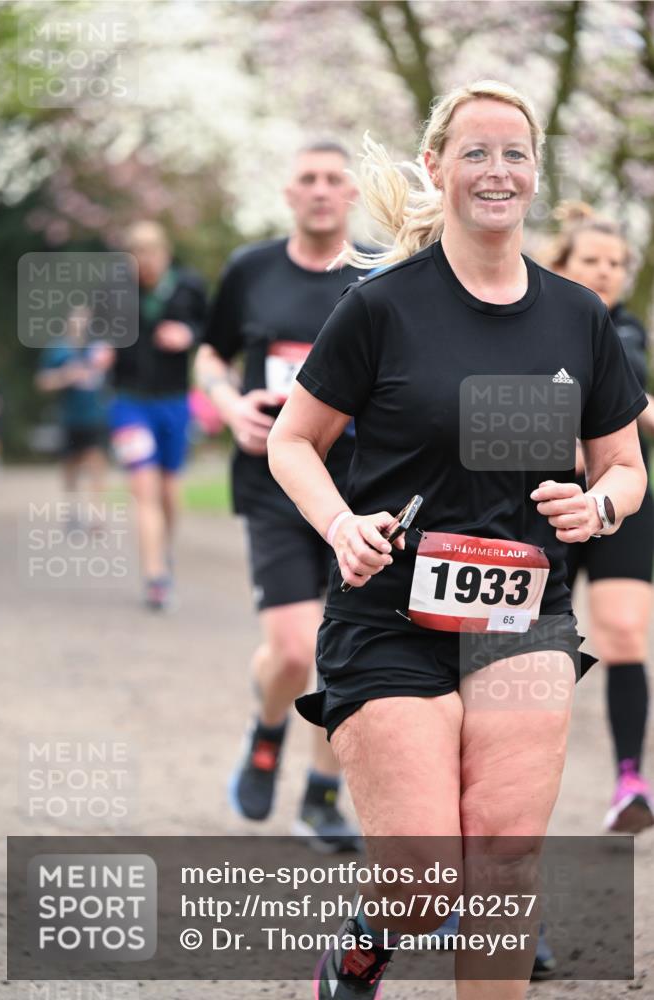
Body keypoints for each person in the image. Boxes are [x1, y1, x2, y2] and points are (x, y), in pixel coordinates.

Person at [267, 80, 647, 999]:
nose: (496, 170)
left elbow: (626, 467)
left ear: (534, 174)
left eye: (514, 153)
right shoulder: (382, 306)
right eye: (475, 151)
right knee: (427, 875)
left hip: (522, 612)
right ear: (436, 167)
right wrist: (339, 523)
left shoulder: (577, 317)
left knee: (506, 856)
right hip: (390, 617)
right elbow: (293, 441)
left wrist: (598, 507)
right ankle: (358, 952)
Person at [195, 142, 364, 850]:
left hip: (360, 491)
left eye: (334, 179)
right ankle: (267, 736)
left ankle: (322, 796)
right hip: (271, 483)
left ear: (353, 194)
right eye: (307, 179)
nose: (321, 190)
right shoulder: (250, 269)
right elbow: (208, 354)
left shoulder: (381, 274)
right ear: (287, 192)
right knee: (293, 652)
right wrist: (231, 406)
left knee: (349, 653)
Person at [544, 204, 654, 833]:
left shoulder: (628, 333)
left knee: (622, 632)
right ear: (560, 265)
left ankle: (631, 780)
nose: (606, 273)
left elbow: (630, 386)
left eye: (616, 264)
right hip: (543, 504)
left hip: (619, 502)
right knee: (522, 646)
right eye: (591, 261)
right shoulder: (528, 325)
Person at [109, 221, 209, 610]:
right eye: (137, 258)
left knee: (169, 489)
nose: (145, 265)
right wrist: (101, 349)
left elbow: (214, 331)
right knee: (143, 487)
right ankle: (155, 576)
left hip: (174, 401)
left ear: (164, 253)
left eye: (151, 255)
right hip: (128, 402)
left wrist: (189, 336)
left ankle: (162, 551)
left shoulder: (189, 286)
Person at [35, 305, 111, 497]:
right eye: (78, 320)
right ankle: (72, 508)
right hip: (70, 417)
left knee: (97, 461)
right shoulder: (58, 350)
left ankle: (96, 514)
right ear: (69, 323)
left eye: (86, 320)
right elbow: (42, 382)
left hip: (96, 416)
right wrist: (65, 376)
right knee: (71, 464)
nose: (82, 324)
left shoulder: (99, 349)